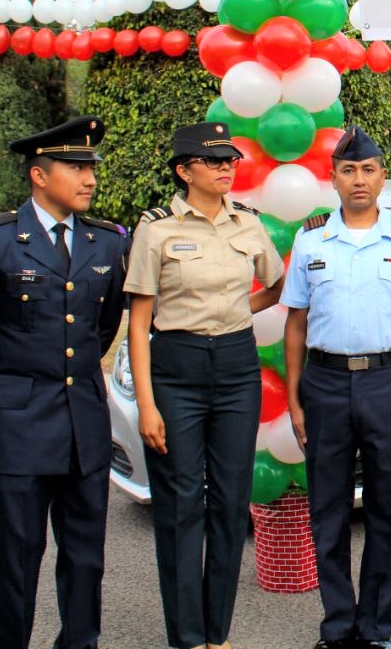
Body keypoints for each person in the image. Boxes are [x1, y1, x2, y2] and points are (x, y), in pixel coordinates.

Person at [0, 116, 129, 649]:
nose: (89, 178)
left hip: (84, 428)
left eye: (91, 167)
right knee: (14, 558)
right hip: (18, 428)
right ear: (38, 175)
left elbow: (101, 327)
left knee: (85, 558)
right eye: (75, 167)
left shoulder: (106, 243)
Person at [282, 126, 391, 649]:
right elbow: (295, 324)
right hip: (325, 383)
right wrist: (294, 397)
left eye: (369, 169)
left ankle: (376, 630)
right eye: (348, 170)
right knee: (327, 512)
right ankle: (337, 628)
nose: (359, 179)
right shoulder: (310, 241)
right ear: (333, 179)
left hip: (389, 383)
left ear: (382, 176)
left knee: (384, 513)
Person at [124, 122, 284, 649]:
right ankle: (187, 636)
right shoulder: (157, 229)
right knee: (181, 502)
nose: (225, 168)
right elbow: (140, 322)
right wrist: (147, 405)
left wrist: (241, 310)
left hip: (237, 367)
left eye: (229, 160)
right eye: (212, 161)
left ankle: (218, 634)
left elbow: (279, 283)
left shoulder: (248, 224)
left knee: (229, 502)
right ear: (183, 170)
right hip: (177, 367)